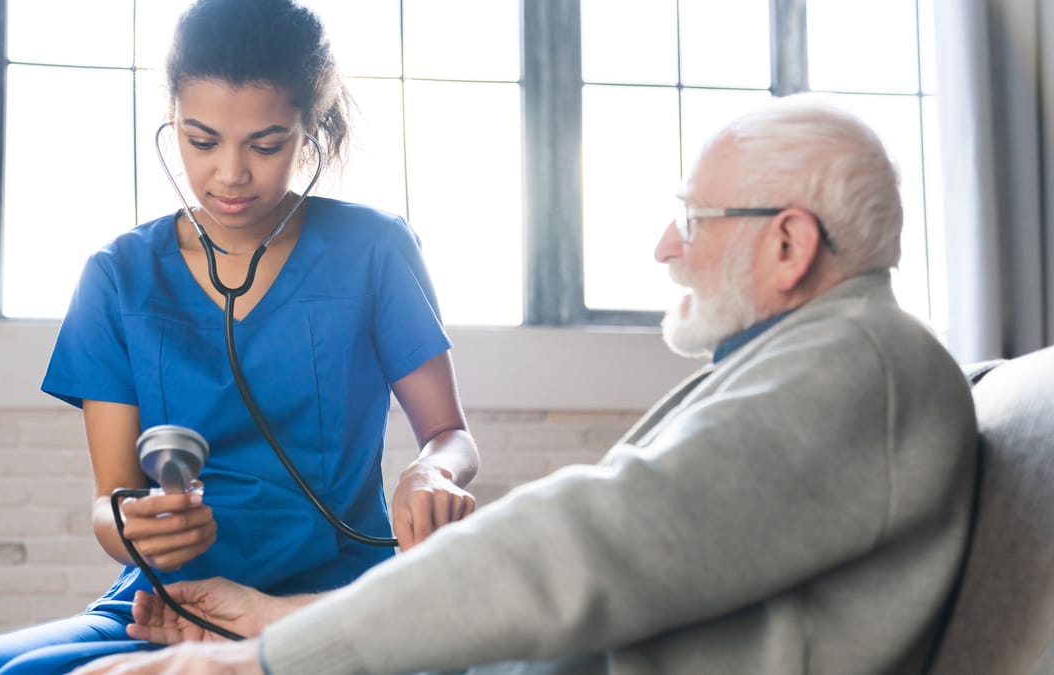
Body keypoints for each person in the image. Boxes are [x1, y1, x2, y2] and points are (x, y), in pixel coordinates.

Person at [71, 93, 979, 675]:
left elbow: (581, 549)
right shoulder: (816, 362)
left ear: (788, 243)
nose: (666, 247)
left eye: (692, 218)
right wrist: (284, 618)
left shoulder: (856, 367)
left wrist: (265, 659)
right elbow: (624, 569)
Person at [0, 1, 479, 673]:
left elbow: (449, 434)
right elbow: (111, 499)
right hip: (167, 604)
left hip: (332, 593)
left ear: (308, 130)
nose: (231, 173)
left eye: (266, 144)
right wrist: (140, 527)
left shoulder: (375, 249)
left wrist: (431, 470)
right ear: (171, 121)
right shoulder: (119, 276)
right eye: (202, 141)